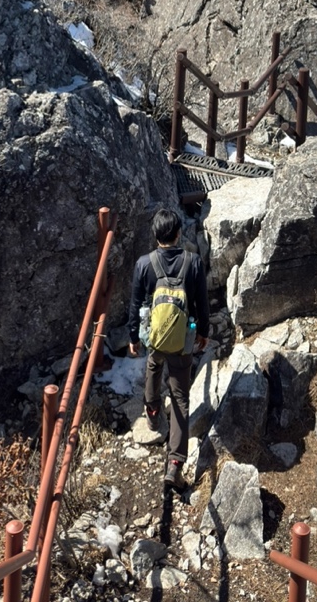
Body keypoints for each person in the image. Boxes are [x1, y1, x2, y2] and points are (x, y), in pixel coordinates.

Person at [128, 206, 210, 492]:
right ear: (178, 233)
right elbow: (202, 303)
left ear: (155, 235)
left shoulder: (144, 264)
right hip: (183, 340)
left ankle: (152, 411)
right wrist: (203, 332)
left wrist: (133, 336)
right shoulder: (194, 262)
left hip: (156, 335)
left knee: (154, 364)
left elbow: (136, 303)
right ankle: (175, 463)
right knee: (180, 397)